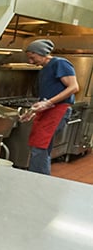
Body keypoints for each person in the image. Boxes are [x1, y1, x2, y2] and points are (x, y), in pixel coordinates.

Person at [22, 39, 79, 175]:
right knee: (41, 146)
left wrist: (48, 103)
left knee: (39, 147)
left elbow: (74, 87)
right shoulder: (44, 69)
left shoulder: (59, 63)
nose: (31, 61)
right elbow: (48, 95)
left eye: (32, 57)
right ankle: (40, 180)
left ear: (41, 53)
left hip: (58, 110)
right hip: (49, 111)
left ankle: (38, 182)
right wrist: (32, 110)